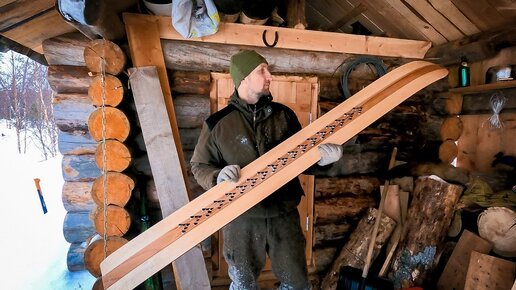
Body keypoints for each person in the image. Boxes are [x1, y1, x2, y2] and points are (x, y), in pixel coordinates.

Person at [191, 50, 343, 290]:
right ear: (243, 78)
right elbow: (199, 166)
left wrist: (323, 160)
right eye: (261, 70)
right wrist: (216, 177)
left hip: (284, 214)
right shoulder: (218, 124)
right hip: (242, 217)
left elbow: (303, 159)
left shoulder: (284, 116)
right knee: (243, 284)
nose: (269, 75)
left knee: (297, 283)